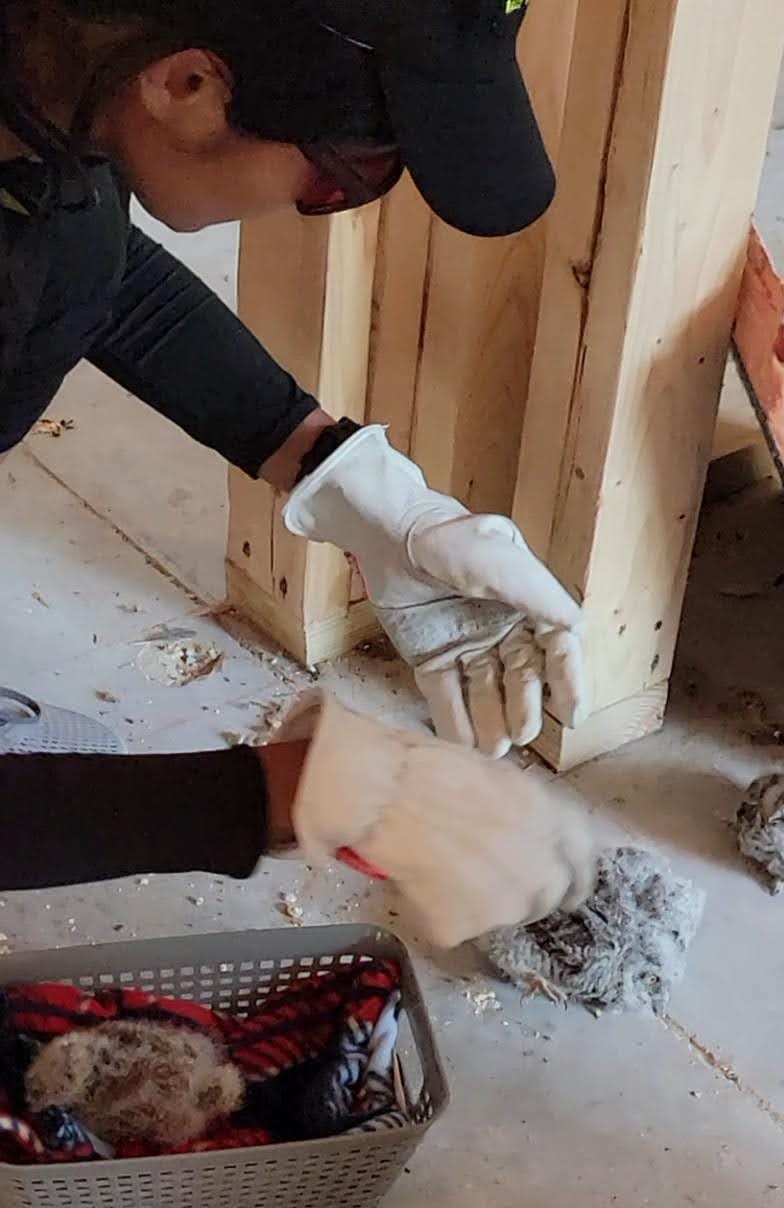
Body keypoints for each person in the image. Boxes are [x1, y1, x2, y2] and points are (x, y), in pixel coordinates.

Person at [0, 0, 593, 942]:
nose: (331, 210)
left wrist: (352, 481)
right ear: (187, 85)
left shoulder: (52, 82)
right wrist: (293, 794)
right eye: (345, 173)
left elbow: (81, 264)